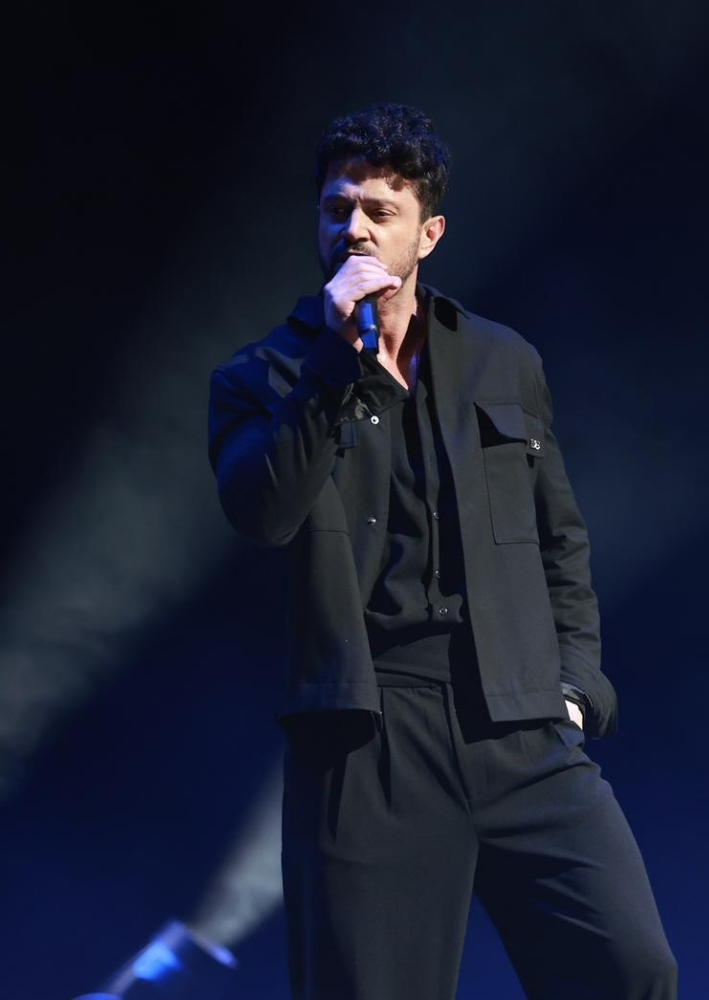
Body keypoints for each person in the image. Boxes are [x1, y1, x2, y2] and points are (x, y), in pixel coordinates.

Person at [208, 102, 677, 1000]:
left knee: (630, 970)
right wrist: (329, 369)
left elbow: (561, 540)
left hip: (520, 717)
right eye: (337, 209)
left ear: (428, 234)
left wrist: (576, 689)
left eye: (379, 211)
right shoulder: (260, 378)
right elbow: (263, 515)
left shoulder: (502, 361)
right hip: (370, 736)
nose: (353, 229)